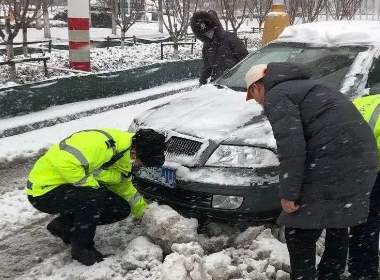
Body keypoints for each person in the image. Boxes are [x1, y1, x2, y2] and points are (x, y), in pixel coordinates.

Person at [245, 63, 378, 280]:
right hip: (363, 158)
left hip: (334, 159)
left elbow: (291, 147)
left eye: (255, 97)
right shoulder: (311, 86)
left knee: (298, 231)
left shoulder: (277, 94)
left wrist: (289, 194)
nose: (258, 102)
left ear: (256, 88)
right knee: (338, 221)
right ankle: (330, 274)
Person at [26, 128, 166, 266]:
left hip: (68, 187)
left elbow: (123, 187)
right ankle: (82, 248)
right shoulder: (102, 145)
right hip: (43, 191)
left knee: (121, 208)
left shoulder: (125, 155)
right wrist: (94, 187)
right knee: (94, 197)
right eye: (141, 163)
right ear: (135, 153)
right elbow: (65, 163)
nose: (140, 167)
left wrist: (146, 214)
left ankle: (64, 226)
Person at [348, 94, 380, 280]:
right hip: (373, 169)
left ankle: (359, 269)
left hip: (350, 166)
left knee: (360, 220)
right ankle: (365, 272)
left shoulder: (363, 100)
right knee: (369, 220)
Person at [190, 10, 248, 85]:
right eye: (206, 33)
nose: (208, 34)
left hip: (234, 82)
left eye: (210, 31)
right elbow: (207, 67)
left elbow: (245, 59)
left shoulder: (230, 38)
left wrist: (239, 76)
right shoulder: (206, 46)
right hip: (218, 83)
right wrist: (202, 82)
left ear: (215, 27)